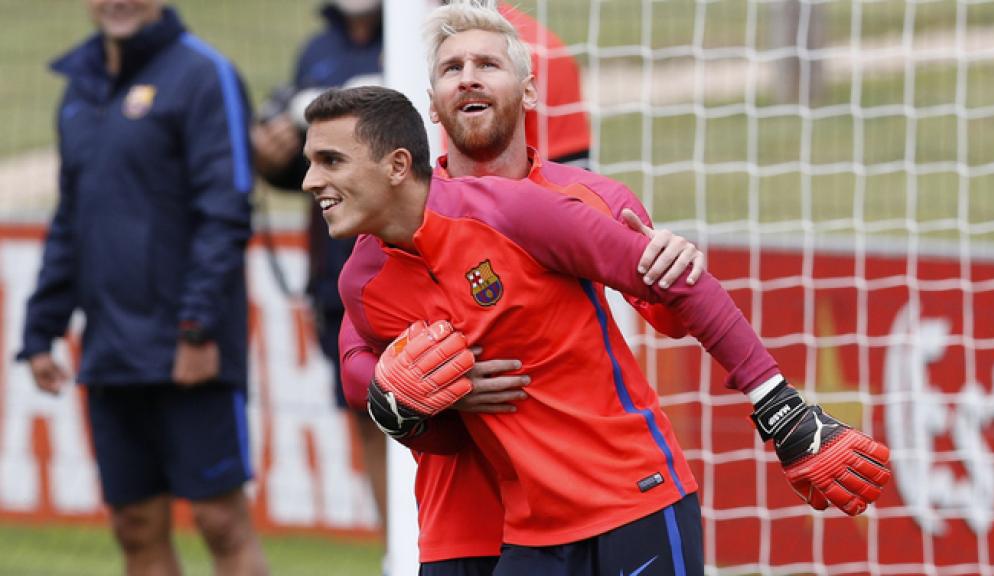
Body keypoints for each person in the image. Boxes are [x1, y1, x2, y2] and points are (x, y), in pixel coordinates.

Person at [305, 85, 892, 575]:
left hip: (635, 501)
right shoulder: (364, 279)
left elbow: (679, 284)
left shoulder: (517, 212)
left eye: (330, 161)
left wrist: (780, 407)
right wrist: (404, 408)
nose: (310, 181)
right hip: (529, 531)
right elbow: (437, 430)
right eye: (311, 161)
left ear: (397, 164)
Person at [337, 2, 706, 573]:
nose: (469, 78)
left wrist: (679, 266)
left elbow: (673, 317)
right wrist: (421, 387)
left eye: (487, 63)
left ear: (528, 91)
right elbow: (354, 361)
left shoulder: (587, 197)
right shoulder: (400, 221)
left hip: (585, 508)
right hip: (457, 521)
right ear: (432, 103)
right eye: (452, 67)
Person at [17, 1, 267, 574]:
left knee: (220, 521)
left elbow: (227, 210)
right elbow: (71, 220)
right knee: (134, 527)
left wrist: (197, 325)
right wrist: (40, 330)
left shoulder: (206, 74)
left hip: (191, 345)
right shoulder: (78, 88)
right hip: (110, 348)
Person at [248, 0, 390, 540]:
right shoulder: (316, 51)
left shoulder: (432, 31)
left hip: (424, 260)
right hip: (339, 271)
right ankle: (396, 556)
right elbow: (309, 173)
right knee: (373, 418)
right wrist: (274, 157)